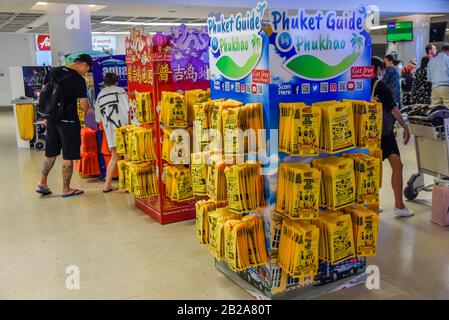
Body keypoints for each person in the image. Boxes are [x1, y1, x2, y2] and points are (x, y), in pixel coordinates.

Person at [36, 54, 93, 197]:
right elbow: (83, 104)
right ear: (84, 65)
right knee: (68, 155)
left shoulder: (53, 71)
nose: (86, 73)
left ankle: (42, 182)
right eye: (87, 70)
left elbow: (44, 93)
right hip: (69, 121)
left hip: (51, 118)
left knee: (50, 152)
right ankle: (66, 189)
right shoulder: (79, 79)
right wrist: (91, 112)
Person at [371, 58, 413, 217]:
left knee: (371, 169)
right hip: (385, 133)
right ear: (379, 70)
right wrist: (405, 127)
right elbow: (393, 108)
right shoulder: (380, 85)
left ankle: (372, 204)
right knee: (397, 166)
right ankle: (399, 206)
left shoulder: (360, 86)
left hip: (367, 134)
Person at [94, 72, 130, 193]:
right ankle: (129, 185)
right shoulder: (120, 91)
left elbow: (97, 119)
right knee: (127, 156)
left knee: (114, 157)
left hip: (111, 131)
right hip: (124, 128)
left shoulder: (99, 96)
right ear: (116, 82)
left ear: (104, 83)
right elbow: (129, 109)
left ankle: (107, 185)